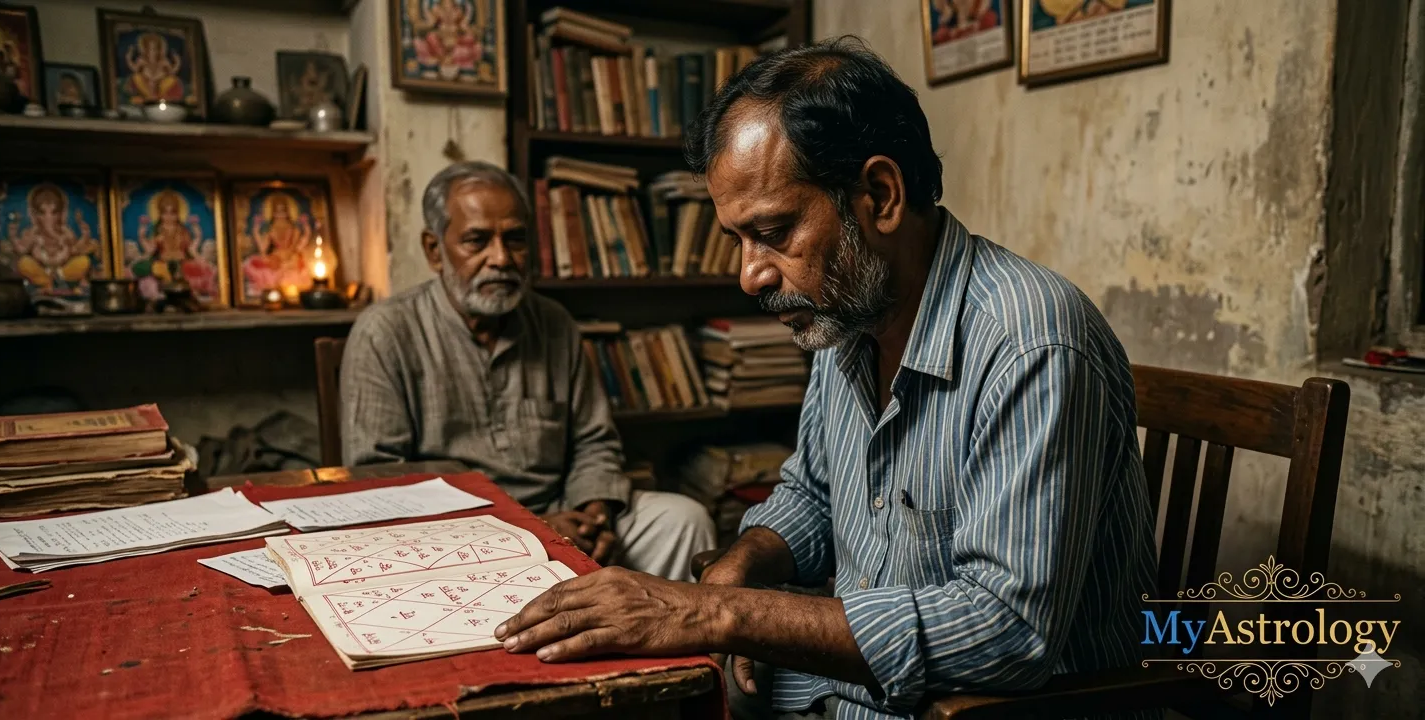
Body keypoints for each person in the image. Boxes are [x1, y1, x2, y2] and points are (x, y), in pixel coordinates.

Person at [492, 37, 1156, 719]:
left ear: (881, 195)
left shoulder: (1030, 341)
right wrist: (743, 564)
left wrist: (720, 613)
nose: (749, 275)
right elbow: (812, 494)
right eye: (738, 239)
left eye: (773, 231)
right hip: (862, 691)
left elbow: (1006, 630)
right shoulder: (849, 316)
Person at [340, 161, 717, 583]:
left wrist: (595, 512)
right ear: (434, 250)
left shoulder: (554, 323)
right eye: (476, 241)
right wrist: (530, 527)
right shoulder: (386, 332)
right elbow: (378, 481)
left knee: (682, 520)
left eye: (515, 239)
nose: (501, 259)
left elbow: (593, 441)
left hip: (565, 512)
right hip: (452, 535)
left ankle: (674, 649)